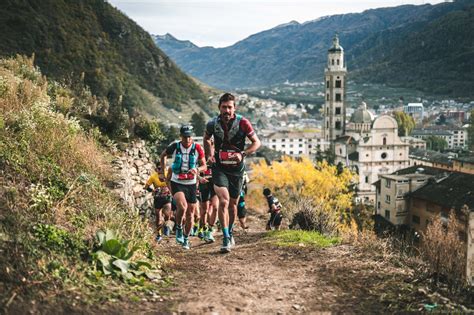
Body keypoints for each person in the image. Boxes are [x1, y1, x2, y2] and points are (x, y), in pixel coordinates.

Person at [204, 92, 261, 253]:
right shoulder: (212, 124)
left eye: (230, 107)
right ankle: (226, 236)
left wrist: (243, 153)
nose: (227, 111)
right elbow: (206, 138)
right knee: (223, 201)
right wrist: (209, 154)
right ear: (219, 108)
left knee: (233, 205)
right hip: (219, 167)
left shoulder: (243, 123)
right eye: (224, 107)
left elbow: (257, 142)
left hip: (237, 169)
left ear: (234, 108)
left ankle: (231, 231)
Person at [159, 125, 206, 250]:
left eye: (189, 136)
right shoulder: (175, 146)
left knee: (191, 214)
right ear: (181, 136)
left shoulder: (197, 148)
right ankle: (179, 227)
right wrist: (161, 173)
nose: (187, 139)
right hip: (177, 181)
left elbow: (204, 166)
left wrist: (197, 169)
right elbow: (163, 155)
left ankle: (185, 238)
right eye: (185, 137)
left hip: (191, 183)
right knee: (182, 206)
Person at [144, 165, 173, 242]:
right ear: (156, 169)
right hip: (157, 199)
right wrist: (152, 191)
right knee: (158, 217)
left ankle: (166, 225)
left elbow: (173, 183)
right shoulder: (153, 177)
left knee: (167, 214)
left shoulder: (168, 174)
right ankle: (159, 234)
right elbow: (146, 186)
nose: (160, 170)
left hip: (167, 197)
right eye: (159, 168)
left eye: (162, 168)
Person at [197, 162, 219, 242]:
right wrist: (199, 178)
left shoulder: (216, 155)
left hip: (215, 183)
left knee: (215, 207)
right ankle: (204, 228)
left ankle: (210, 230)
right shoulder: (200, 157)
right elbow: (193, 171)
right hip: (204, 184)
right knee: (205, 210)